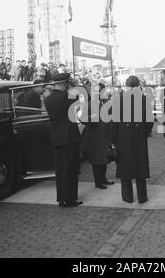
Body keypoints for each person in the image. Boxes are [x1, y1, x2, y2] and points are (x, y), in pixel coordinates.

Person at [44, 73, 82, 208]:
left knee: (60, 170)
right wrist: (75, 85)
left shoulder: (47, 99)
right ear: (66, 83)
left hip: (56, 137)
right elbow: (83, 98)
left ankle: (61, 198)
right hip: (69, 137)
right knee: (70, 169)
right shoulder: (68, 97)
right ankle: (70, 199)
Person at [112, 76, 152, 204]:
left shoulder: (119, 99)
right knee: (140, 165)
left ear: (127, 86)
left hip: (123, 135)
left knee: (125, 166)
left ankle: (127, 197)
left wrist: (113, 140)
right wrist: (144, 133)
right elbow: (149, 120)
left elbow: (114, 122)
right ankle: (142, 197)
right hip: (139, 134)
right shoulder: (144, 99)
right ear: (137, 85)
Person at [81, 83, 115, 190]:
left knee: (104, 159)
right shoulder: (90, 104)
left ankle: (103, 178)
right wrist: (93, 118)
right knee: (97, 160)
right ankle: (98, 182)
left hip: (104, 135)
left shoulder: (105, 103)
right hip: (94, 136)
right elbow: (83, 119)